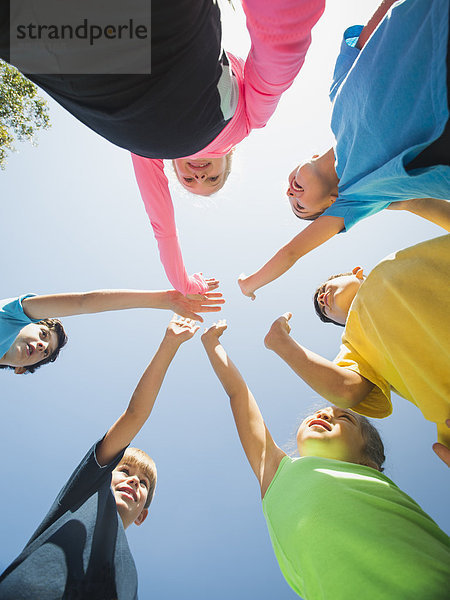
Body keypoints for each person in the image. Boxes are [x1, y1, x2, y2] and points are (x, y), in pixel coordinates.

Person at [0, 0, 325, 295]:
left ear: (173, 171)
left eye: (189, 182)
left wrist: (182, 282)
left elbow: (162, 224)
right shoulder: (246, 122)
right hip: (168, 43)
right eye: (212, 179)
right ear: (228, 158)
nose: (199, 177)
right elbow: (274, 72)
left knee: (19, 26)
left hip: (96, 75)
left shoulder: (152, 150)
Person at [201, 321, 450, 599]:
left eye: (345, 418)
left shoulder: (372, 480)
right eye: (322, 411)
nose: (326, 414)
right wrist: (212, 344)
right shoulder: (276, 473)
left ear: (369, 464)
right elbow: (238, 394)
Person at [238, 0, 450, 299]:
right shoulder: (356, 194)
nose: (290, 193)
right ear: (332, 203)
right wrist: (250, 284)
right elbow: (290, 253)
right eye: (300, 206)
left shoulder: (337, 94)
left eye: (291, 197)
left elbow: (373, 32)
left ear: (308, 158)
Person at [0, 314, 200, 599]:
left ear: (142, 517)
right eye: (126, 472)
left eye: (143, 483)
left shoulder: (129, 577)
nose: (134, 482)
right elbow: (134, 415)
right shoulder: (89, 491)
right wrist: (169, 344)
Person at [263, 239, 450, 460]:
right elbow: (345, 389)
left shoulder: (396, 262)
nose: (322, 299)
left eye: (324, 290)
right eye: (324, 311)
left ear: (357, 272)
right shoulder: (355, 343)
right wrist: (282, 342)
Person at [0, 286, 223, 374]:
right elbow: (84, 302)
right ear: (28, 321)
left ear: (21, 369)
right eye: (43, 335)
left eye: (46, 352)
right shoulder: (10, 315)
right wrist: (164, 299)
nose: (42, 346)